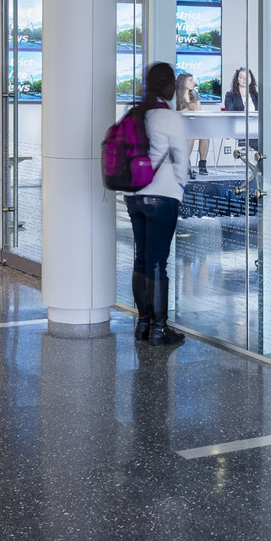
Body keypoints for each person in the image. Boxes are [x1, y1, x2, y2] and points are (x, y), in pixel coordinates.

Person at [124, 61, 189, 346]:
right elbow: (182, 161)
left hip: (134, 196)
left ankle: (143, 326)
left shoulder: (136, 113)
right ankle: (159, 330)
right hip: (162, 197)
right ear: (168, 87)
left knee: (141, 261)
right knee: (157, 263)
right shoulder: (169, 118)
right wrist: (180, 189)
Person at [175, 70, 210, 177]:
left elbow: (198, 111)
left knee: (206, 134)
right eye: (191, 81)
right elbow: (174, 113)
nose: (193, 83)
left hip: (193, 123)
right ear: (183, 83)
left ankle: (202, 164)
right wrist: (187, 109)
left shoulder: (195, 94)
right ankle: (185, 164)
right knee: (190, 136)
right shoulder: (175, 95)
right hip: (180, 125)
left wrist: (194, 108)